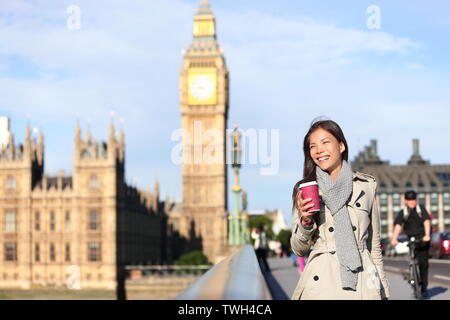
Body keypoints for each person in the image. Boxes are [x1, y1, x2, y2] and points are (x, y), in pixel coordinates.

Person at [290, 119, 390, 300]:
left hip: (362, 282)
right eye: (312, 146)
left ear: (341, 146)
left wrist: (383, 293)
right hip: (322, 283)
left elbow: (374, 247)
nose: (318, 150)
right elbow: (299, 249)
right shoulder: (305, 189)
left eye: (325, 142)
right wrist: (306, 222)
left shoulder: (365, 187)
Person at [391, 190, 431, 298]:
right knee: (412, 261)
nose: (412, 202)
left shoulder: (420, 209)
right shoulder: (403, 212)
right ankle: (414, 279)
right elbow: (398, 226)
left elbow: (427, 221)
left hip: (423, 240)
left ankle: (424, 287)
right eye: (409, 200)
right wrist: (394, 239)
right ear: (405, 201)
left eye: (413, 199)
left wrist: (427, 235)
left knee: (423, 264)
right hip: (411, 240)